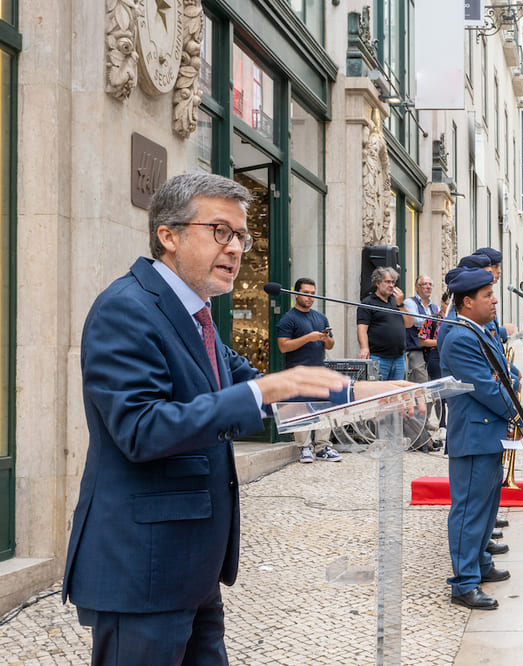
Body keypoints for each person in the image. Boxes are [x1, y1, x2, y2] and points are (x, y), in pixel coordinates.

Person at [63, 173, 405, 665]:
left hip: (195, 566)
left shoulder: (197, 314)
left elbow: (269, 390)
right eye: (220, 231)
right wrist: (259, 390)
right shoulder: (126, 307)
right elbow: (141, 430)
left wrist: (369, 392)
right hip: (143, 569)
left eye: (241, 236)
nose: (236, 248)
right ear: (169, 234)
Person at [439, 266, 522, 611]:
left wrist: (509, 382)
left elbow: (507, 371)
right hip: (474, 433)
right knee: (470, 511)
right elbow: (488, 387)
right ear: (467, 302)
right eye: (488, 295)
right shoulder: (460, 336)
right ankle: (464, 583)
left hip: (487, 431)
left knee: (487, 507)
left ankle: (479, 566)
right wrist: (517, 413)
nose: (494, 299)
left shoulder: (480, 330)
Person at [276, 277, 340, 463]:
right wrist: (308, 338)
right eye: (306, 293)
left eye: (313, 294)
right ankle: (304, 447)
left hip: (319, 370)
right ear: (296, 294)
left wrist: (326, 339)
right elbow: (283, 346)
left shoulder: (321, 317)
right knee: (300, 408)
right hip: (297, 372)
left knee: (325, 407)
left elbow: (330, 345)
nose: (310, 297)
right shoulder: (289, 319)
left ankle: (323, 446)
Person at [357, 266, 413, 381]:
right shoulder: (368, 302)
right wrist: (364, 347)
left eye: (393, 282)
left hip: (399, 358)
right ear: (377, 283)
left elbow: (409, 324)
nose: (391, 285)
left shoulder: (396, 301)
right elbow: (362, 329)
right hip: (379, 358)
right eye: (387, 282)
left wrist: (400, 304)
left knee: (397, 393)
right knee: (379, 392)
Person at [404, 274, 439, 383]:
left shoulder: (435, 307)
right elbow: (415, 320)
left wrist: (425, 325)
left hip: (431, 350)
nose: (428, 287)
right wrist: (431, 323)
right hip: (416, 348)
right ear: (417, 287)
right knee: (420, 382)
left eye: (430, 284)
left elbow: (438, 324)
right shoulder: (410, 302)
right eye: (424, 284)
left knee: (434, 382)